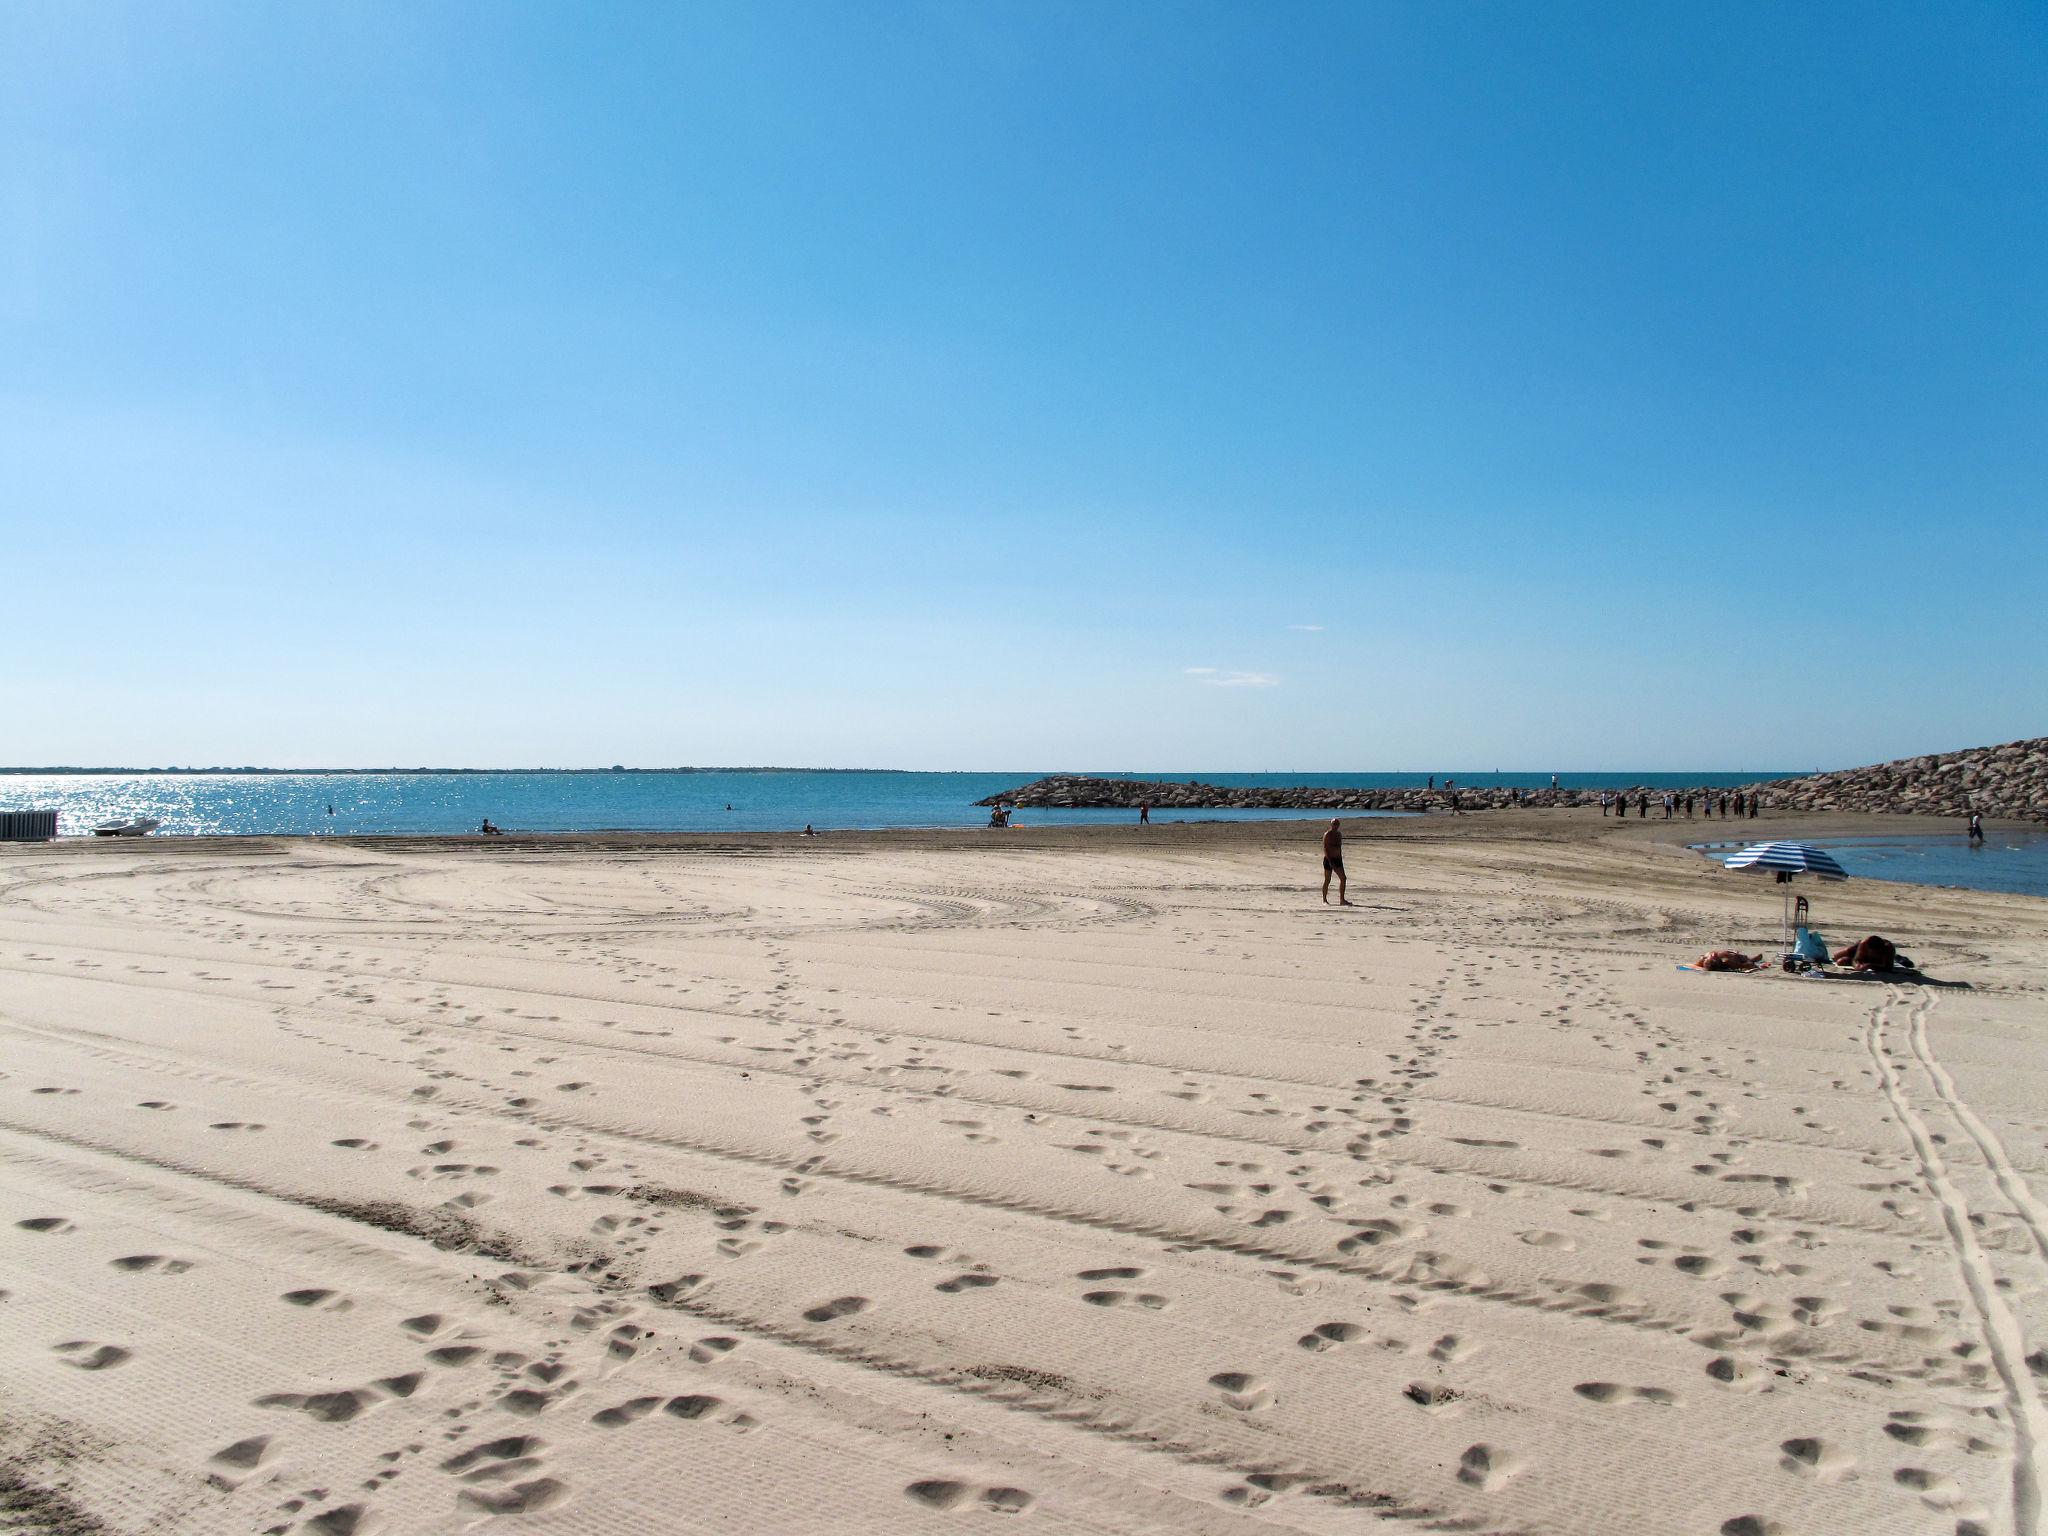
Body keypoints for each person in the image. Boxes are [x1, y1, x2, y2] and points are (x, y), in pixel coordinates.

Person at [1320, 818, 1350, 905]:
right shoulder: (1327, 834)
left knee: (1343, 878)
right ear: (1331, 825)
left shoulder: (1339, 834)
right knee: (1327, 880)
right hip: (1329, 859)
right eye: (1334, 824)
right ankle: (1324, 900)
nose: (1335, 826)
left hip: (1337, 859)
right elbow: (1325, 849)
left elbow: (1339, 848)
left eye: (1337, 824)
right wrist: (1330, 862)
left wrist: (1340, 860)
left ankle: (1342, 899)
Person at [1696, 950, 1765, 972]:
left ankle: (1755, 959)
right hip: (1728, 955)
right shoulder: (1704, 958)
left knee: (1748, 961)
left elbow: (1748, 965)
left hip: (1735, 957)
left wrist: (1758, 967)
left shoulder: (1728, 961)